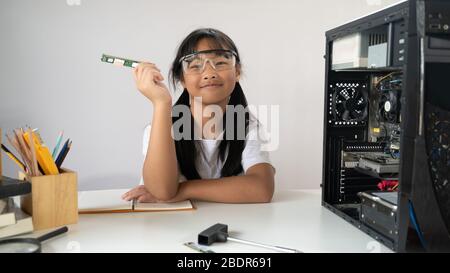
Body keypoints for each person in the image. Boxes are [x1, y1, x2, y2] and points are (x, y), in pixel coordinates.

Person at [122, 28, 275, 204]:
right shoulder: (160, 128)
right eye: (195, 65)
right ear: (182, 79)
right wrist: (161, 104)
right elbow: (162, 190)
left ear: (237, 71)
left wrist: (183, 190)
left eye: (220, 63)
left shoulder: (249, 128)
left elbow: (262, 189)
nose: (209, 73)